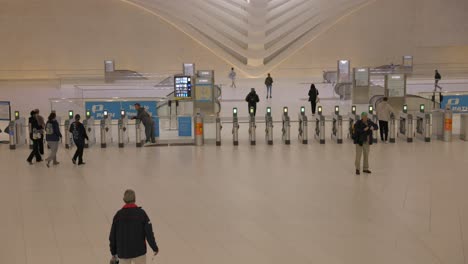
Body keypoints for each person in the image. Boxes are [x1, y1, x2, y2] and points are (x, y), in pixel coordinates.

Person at [109, 189, 159, 264]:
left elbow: (112, 237)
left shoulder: (118, 215)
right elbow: (149, 233)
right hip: (139, 251)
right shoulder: (141, 214)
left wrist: (113, 253)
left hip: (123, 252)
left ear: (124, 200)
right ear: (135, 199)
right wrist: (154, 248)